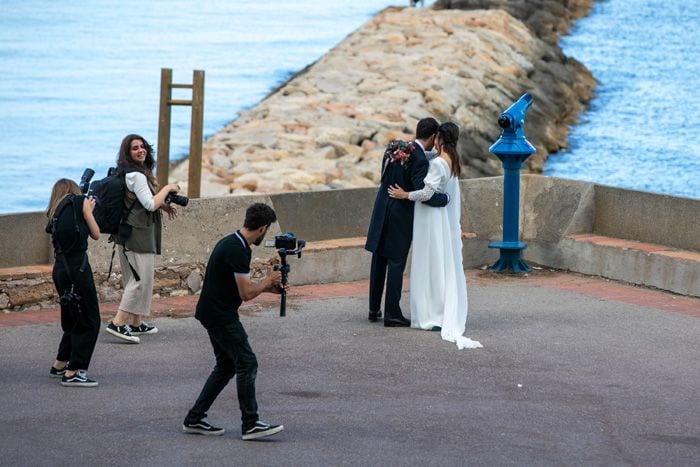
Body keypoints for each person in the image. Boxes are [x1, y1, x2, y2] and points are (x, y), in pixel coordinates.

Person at [183, 203, 285, 440]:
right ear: (262, 228)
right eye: (266, 230)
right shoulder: (238, 251)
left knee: (227, 366)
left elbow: (241, 288)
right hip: (220, 315)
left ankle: (195, 418)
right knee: (247, 363)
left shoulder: (233, 242)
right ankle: (250, 423)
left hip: (213, 311)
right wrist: (268, 279)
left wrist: (270, 288)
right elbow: (246, 294)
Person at [388, 122, 482, 349]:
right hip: (438, 219)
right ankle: (438, 309)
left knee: (428, 262)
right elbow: (428, 156)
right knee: (438, 263)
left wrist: (404, 194)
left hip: (429, 218)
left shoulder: (440, 163)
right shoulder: (451, 159)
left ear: (439, 138)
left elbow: (427, 193)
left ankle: (431, 314)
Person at [365, 118, 449, 327]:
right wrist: (445, 199)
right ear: (432, 137)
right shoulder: (419, 159)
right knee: (395, 263)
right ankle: (392, 314)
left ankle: (374, 309)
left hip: (381, 210)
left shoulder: (394, 147)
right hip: (399, 217)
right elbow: (423, 192)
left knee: (379, 261)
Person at [104, 134, 180, 343]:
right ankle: (117, 323)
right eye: (135, 148)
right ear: (127, 153)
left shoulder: (127, 173)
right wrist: (167, 189)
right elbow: (149, 204)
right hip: (137, 236)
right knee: (140, 280)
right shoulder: (136, 176)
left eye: (142, 146)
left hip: (128, 233)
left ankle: (136, 323)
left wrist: (163, 204)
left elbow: (139, 200)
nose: (141, 150)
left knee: (136, 278)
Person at [46, 179, 102, 386]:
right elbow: (95, 234)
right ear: (75, 190)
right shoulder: (81, 202)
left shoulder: (54, 212)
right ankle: (75, 371)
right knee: (89, 320)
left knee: (72, 318)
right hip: (78, 270)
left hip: (60, 270)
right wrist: (89, 210)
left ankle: (60, 363)